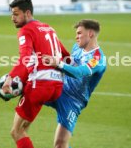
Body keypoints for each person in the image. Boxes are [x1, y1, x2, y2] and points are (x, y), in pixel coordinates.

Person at [0, 0, 70, 148]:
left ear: (27, 13)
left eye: (16, 14)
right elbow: (66, 57)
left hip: (40, 87)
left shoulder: (26, 30)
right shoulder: (48, 28)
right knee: (24, 128)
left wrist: (10, 78)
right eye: (11, 14)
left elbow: (25, 57)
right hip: (56, 87)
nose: (12, 18)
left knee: (16, 131)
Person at [43, 19, 106, 148]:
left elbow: (79, 72)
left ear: (90, 34)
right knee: (30, 87)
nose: (76, 37)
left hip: (74, 101)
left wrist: (58, 64)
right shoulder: (77, 47)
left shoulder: (97, 59)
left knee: (60, 145)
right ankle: (0, 89)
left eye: (79, 33)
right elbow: (71, 62)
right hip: (61, 88)